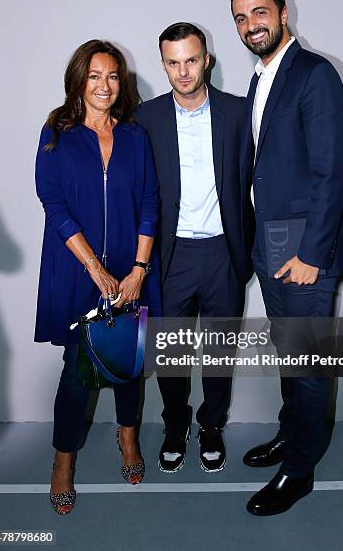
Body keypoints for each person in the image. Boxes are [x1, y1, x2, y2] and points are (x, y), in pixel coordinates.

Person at [229, 0, 343, 515]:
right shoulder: (261, 79)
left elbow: (331, 172)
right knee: (289, 354)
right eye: (239, 17)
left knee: (307, 361)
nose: (250, 24)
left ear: (282, 12)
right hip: (271, 242)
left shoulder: (314, 73)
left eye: (258, 12)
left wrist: (312, 254)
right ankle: (290, 436)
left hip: (304, 247)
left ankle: (299, 470)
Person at [35, 39, 161, 514]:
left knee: (128, 364)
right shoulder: (56, 135)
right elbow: (54, 205)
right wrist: (95, 268)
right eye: (94, 76)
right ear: (79, 80)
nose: (104, 85)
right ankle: (62, 462)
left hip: (130, 273)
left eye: (112, 76)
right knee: (76, 377)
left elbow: (150, 201)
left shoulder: (134, 136)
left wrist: (138, 271)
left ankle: (128, 441)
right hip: (78, 272)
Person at [135, 23, 254, 473]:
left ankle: (211, 425)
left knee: (221, 349)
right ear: (163, 64)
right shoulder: (146, 119)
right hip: (171, 256)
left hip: (225, 251)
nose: (183, 72)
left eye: (191, 60)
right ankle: (175, 424)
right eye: (173, 62)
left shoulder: (239, 113)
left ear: (207, 60)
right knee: (172, 353)